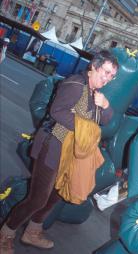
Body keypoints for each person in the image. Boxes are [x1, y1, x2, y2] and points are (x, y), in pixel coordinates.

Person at [0, 50, 119, 254]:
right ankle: (6, 233)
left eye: (111, 76)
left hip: (71, 154)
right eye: (105, 72)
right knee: (37, 198)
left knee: (56, 196)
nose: (107, 78)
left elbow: (106, 119)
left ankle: (32, 232)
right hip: (53, 147)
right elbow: (57, 111)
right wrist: (86, 129)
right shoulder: (75, 85)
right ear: (94, 67)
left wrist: (106, 105)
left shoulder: (95, 94)